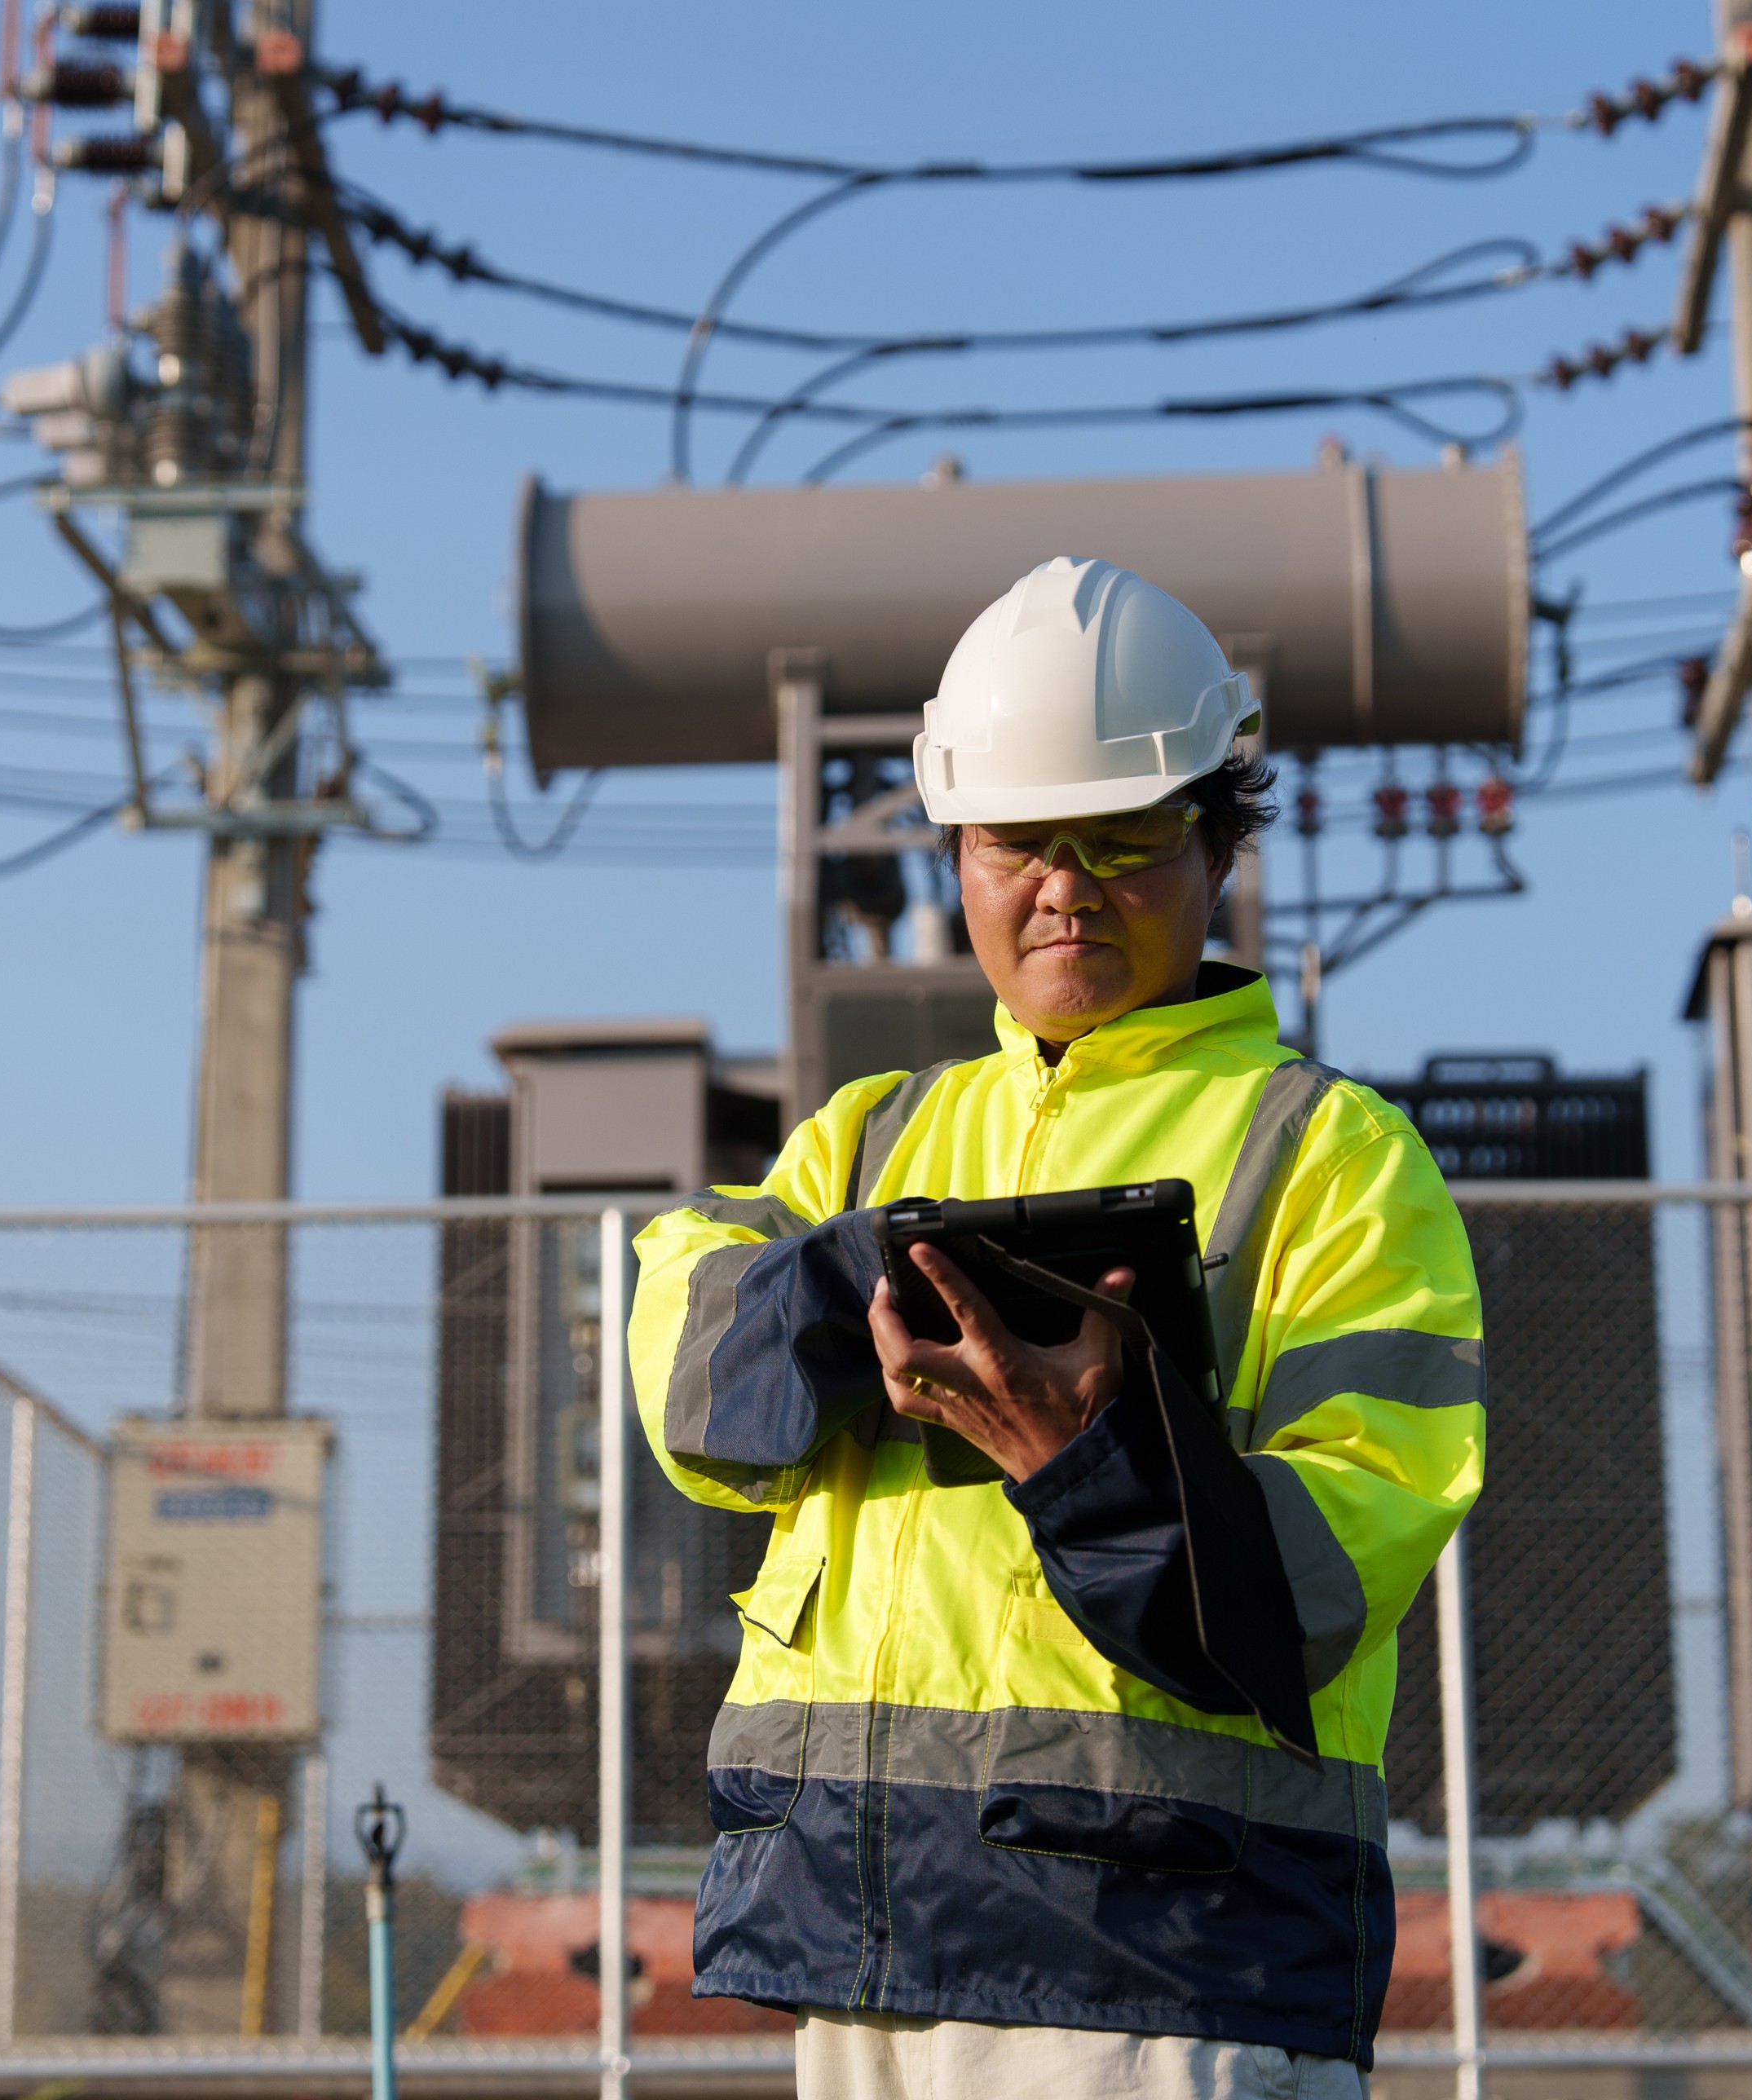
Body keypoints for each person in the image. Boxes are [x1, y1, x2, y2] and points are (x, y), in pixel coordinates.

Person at [628, 556, 1485, 2099]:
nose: (1065, 886)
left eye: (1126, 840)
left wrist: (1093, 1458)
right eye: (1021, 839)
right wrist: (845, 1284)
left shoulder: (1333, 1158)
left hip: (1172, 1973)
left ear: (1218, 844)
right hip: (867, 1951)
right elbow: (696, 1399)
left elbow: (1334, 1564)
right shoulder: (866, 1147)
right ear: (958, 848)